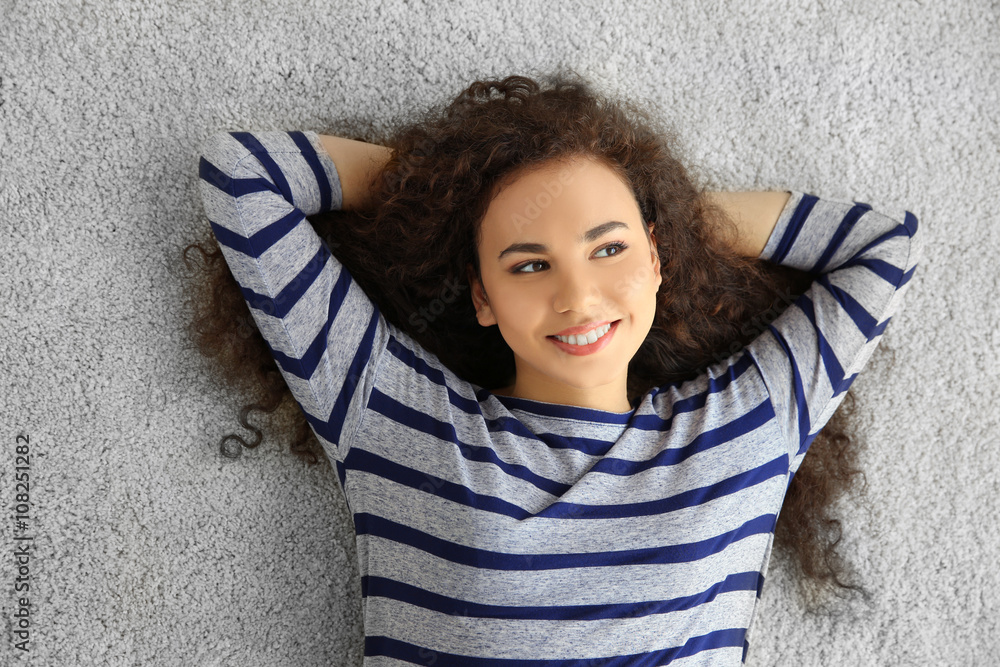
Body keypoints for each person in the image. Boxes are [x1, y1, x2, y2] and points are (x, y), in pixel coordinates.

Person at [184, 72, 921, 664]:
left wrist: (669, 208)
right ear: (481, 294)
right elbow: (243, 177)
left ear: (657, 258)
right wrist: (446, 199)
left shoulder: (747, 429)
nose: (577, 297)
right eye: (529, 262)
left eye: (610, 248)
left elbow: (886, 248)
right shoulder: (389, 412)